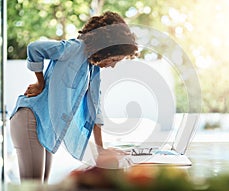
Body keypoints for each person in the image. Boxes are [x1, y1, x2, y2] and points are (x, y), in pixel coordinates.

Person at [10, 11, 138, 183]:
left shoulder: (93, 69)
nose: (113, 65)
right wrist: (40, 83)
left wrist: (101, 149)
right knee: (33, 185)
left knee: (41, 185)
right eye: (114, 59)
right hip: (31, 119)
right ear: (107, 48)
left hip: (47, 127)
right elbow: (34, 48)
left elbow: (95, 108)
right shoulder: (73, 48)